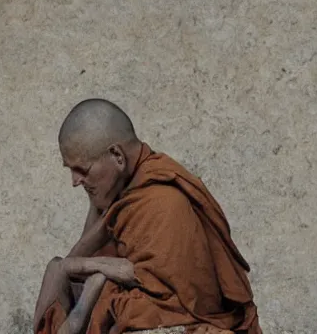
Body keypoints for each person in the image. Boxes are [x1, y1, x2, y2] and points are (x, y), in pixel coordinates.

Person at [33, 99, 261, 334]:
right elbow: (73, 268)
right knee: (56, 270)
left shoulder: (162, 201)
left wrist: (96, 280)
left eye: (82, 170)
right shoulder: (117, 189)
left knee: (94, 290)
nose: (74, 181)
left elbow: (185, 304)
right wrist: (92, 263)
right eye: (70, 170)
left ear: (117, 156)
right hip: (141, 298)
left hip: (182, 315)